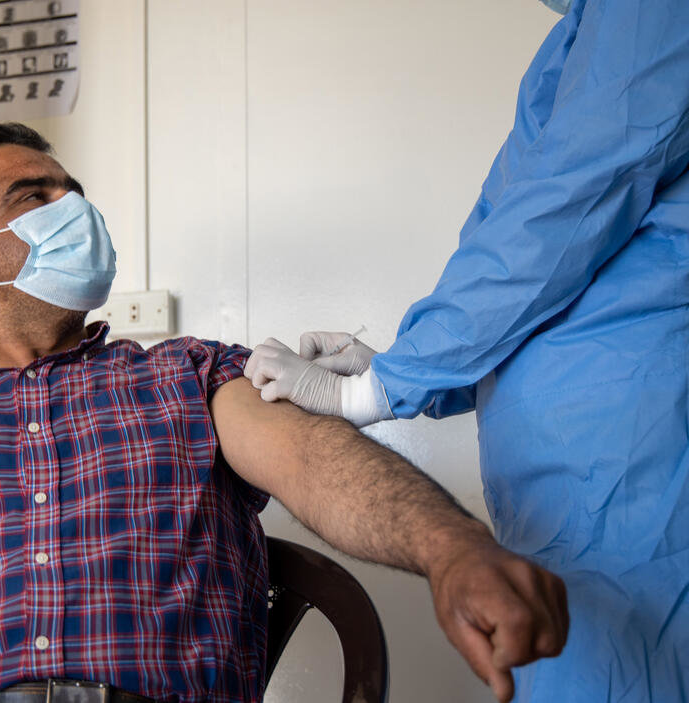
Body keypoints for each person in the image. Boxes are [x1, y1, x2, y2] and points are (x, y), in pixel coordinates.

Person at [0, 124, 567, 703]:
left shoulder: (188, 374)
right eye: (34, 196)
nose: (74, 209)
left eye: (73, 193)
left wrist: (453, 548)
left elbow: (310, 460)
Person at [244, 0, 688, 701]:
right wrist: (398, 366)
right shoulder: (579, 35)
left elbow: (562, 212)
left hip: (638, 465)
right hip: (585, 483)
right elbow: (534, 259)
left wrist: (381, 387)